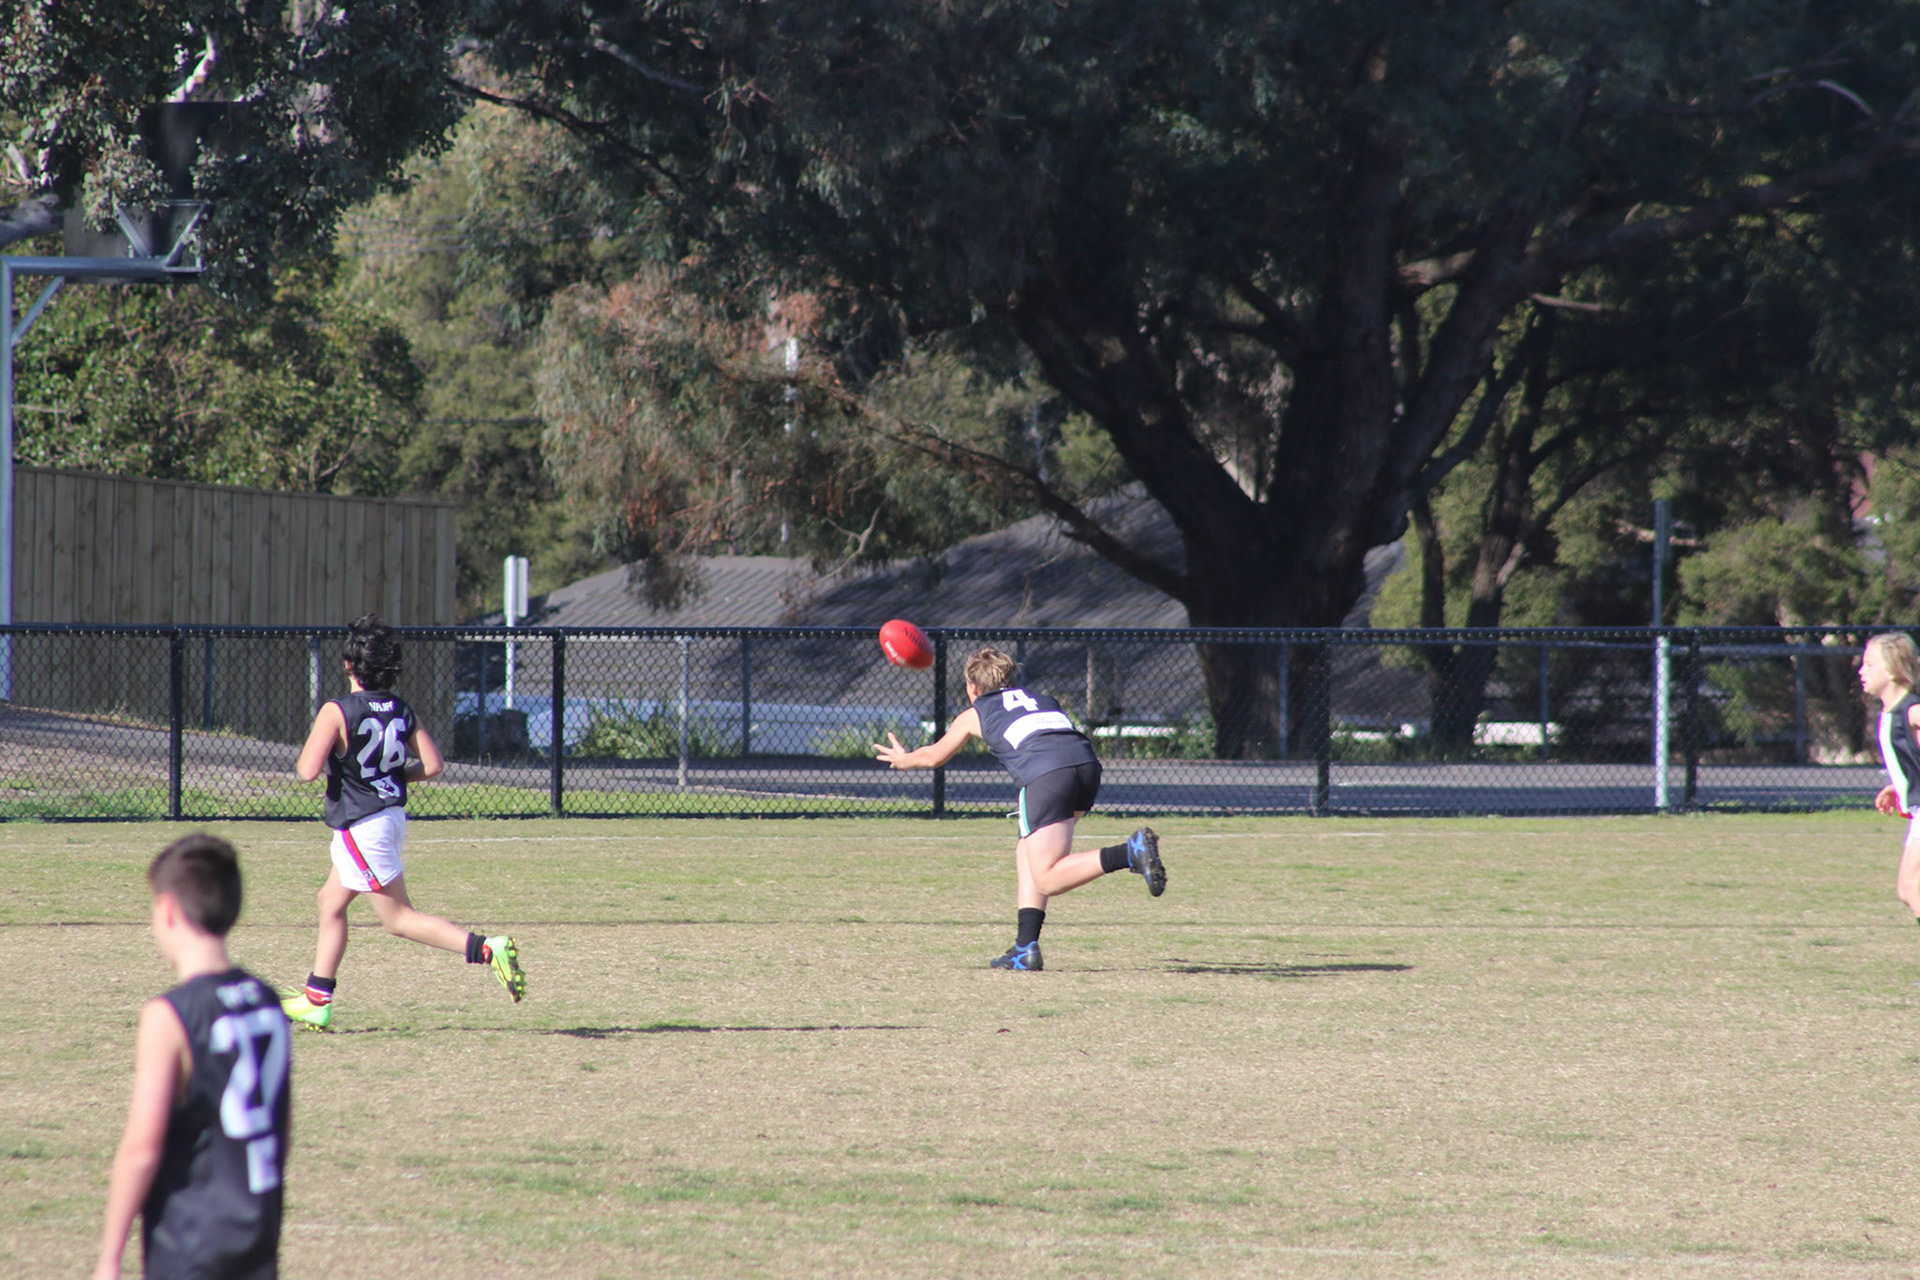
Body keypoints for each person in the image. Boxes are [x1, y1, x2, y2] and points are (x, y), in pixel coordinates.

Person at [279, 613, 525, 1030]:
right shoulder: (400, 708)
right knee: (331, 901)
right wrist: (389, 778)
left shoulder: (337, 710)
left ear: (348, 665)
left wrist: (342, 759)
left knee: (398, 919)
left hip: (361, 823)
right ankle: (317, 999)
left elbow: (306, 770)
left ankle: (486, 948)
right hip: (389, 817)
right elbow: (433, 765)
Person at [874, 646, 1166, 970]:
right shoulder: (1044, 700)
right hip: (1087, 767)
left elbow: (934, 756)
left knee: (1048, 878)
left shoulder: (975, 712)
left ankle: (1129, 852)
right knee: (1026, 849)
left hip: (1047, 775)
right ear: (1012, 679)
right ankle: (1025, 949)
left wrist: (903, 759)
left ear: (972, 687)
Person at [94, 833, 290, 1280]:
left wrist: (108, 1260)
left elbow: (142, 1149)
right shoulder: (267, 999)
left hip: (191, 1240)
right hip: (258, 1235)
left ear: (167, 910)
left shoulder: (170, 1015)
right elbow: (280, 1126)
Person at [1862, 631, 1920, 922]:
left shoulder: (1911, 711)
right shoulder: (1891, 713)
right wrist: (1899, 785)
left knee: (1911, 887)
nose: (1861, 671)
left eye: (1869, 664)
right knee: (1908, 889)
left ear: (1892, 670)